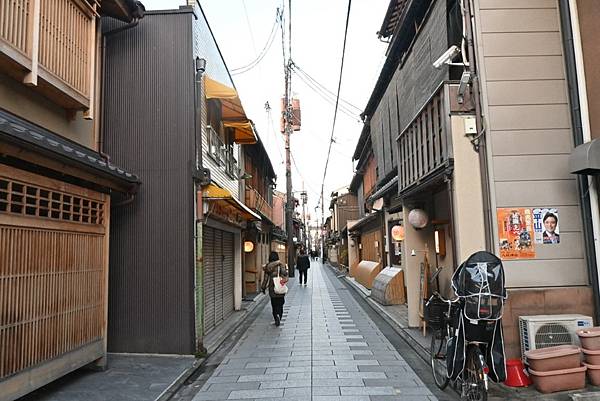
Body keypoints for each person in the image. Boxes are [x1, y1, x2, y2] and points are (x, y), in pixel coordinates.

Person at [261, 251, 288, 326]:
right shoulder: (280, 265)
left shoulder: (267, 267)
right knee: (280, 302)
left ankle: (276, 316)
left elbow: (266, 279)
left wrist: (263, 288)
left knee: (274, 303)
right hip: (280, 285)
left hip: (272, 287)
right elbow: (285, 274)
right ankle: (280, 314)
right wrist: (284, 280)